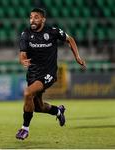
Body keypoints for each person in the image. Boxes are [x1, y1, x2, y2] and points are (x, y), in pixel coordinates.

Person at [16, 8, 86, 140]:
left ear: (43, 19)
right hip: (33, 73)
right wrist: (22, 60)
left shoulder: (52, 31)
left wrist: (77, 56)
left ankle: (24, 129)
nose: (32, 20)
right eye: (31, 17)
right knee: (38, 107)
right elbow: (22, 54)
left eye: (36, 17)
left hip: (49, 73)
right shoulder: (25, 34)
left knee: (27, 93)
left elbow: (69, 39)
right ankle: (58, 111)